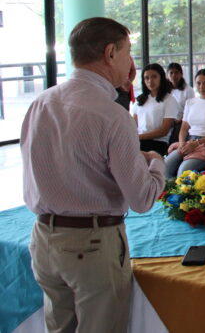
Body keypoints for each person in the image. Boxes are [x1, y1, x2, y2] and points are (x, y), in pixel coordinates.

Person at [22, 17, 164, 332]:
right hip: (92, 245)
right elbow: (141, 199)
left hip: (44, 239)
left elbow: (70, 160)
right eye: (128, 53)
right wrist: (156, 162)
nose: (131, 63)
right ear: (110, 53)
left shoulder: (40, 104)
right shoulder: (112, 116)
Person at [164, 69, 205, 177]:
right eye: (198, 83)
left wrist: (197, 143)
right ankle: (170, 193)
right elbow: (184, 128)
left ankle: (182, 193)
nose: (201, 87)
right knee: (166, 165)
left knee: (184, 170)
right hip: (189, 142)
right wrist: (181, 143)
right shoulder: (190, 102)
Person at [131, 63, 179, 155]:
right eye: (147, 78)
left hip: (157, 143)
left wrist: (137, 137)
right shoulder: (140, 100)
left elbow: (163, 131)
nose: (150, 81)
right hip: (139, 140)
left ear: (161, 78)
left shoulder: (169, 100)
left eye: (154, 77)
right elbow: (133, 125)